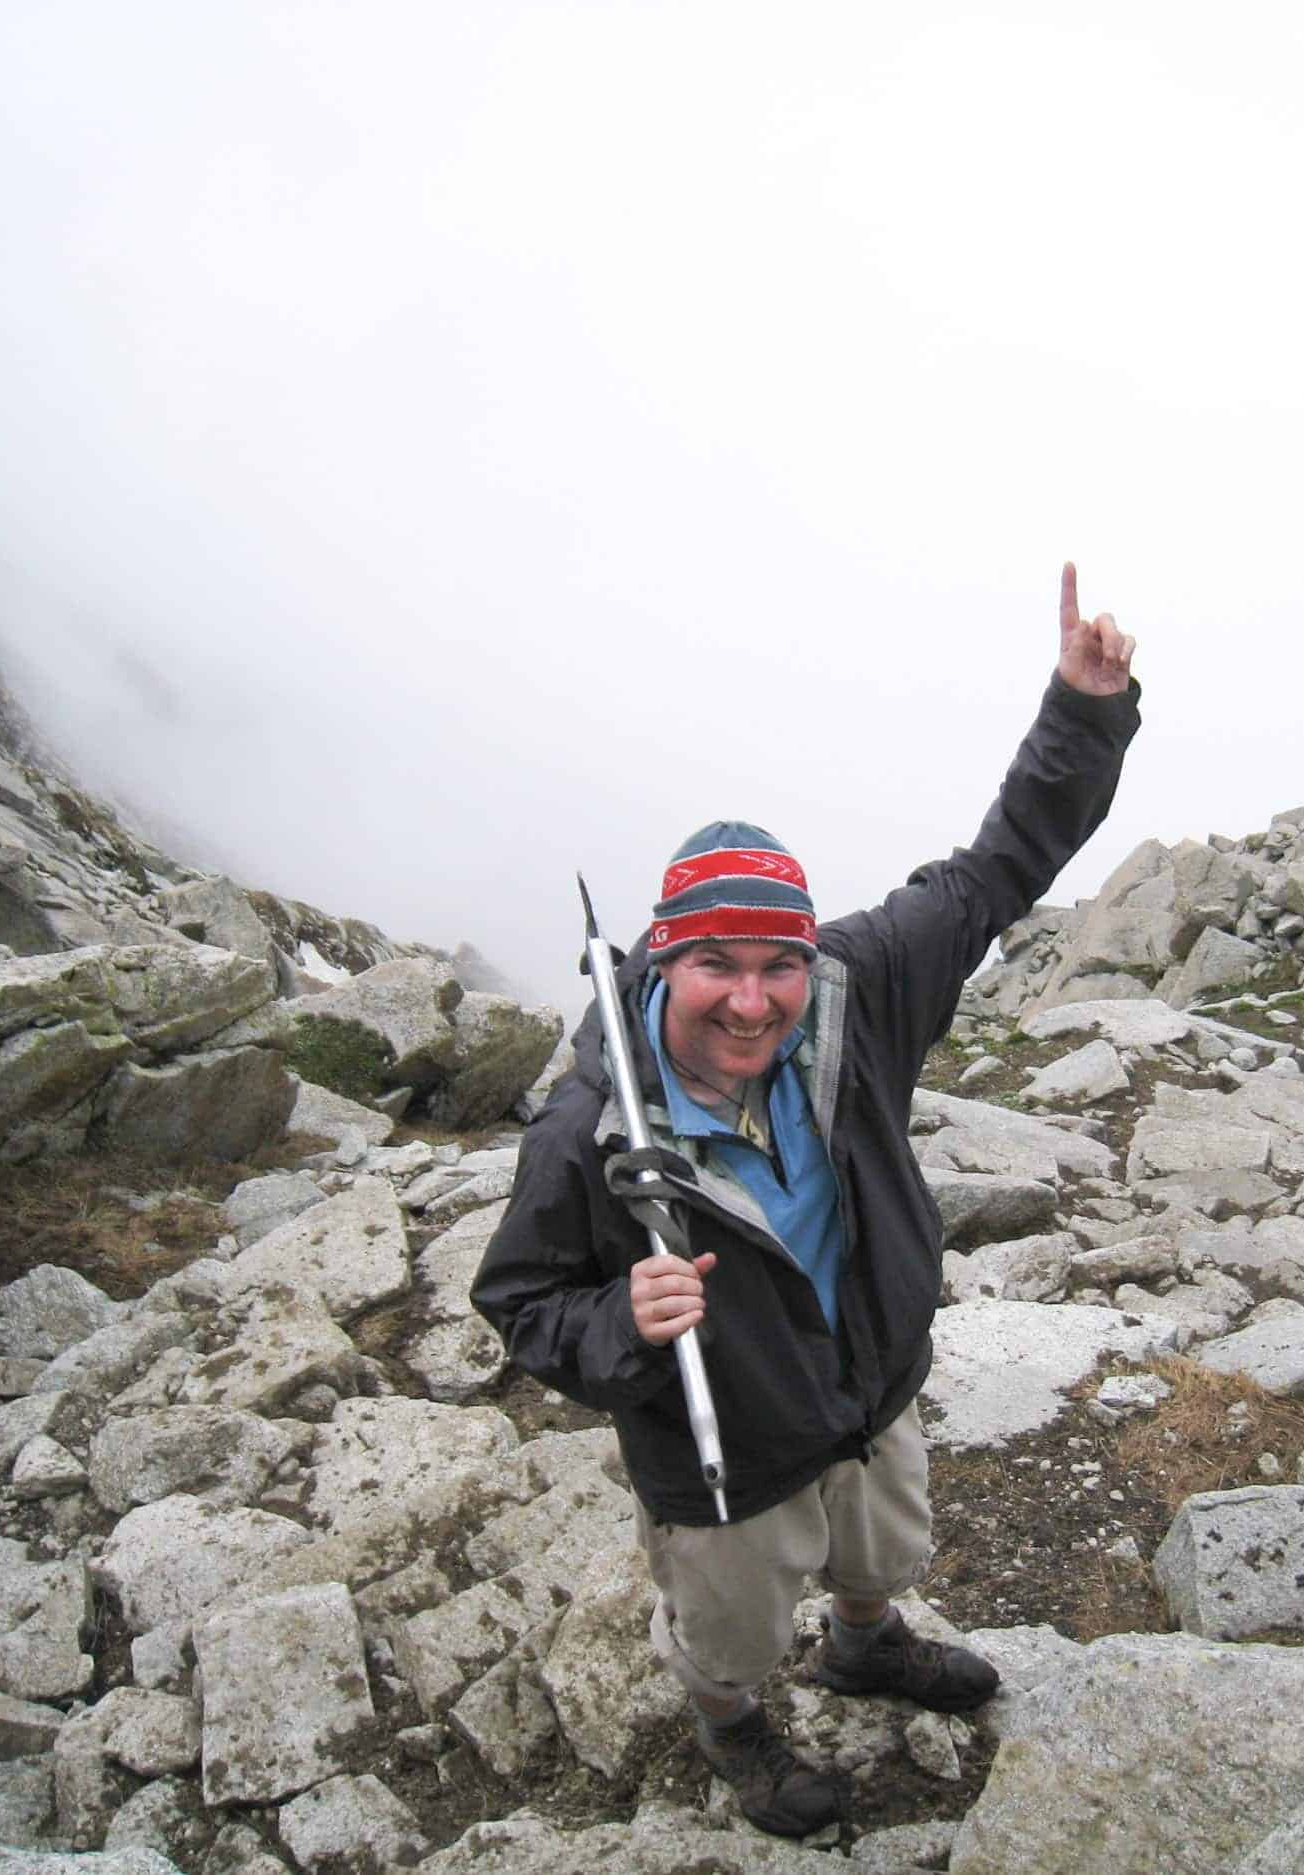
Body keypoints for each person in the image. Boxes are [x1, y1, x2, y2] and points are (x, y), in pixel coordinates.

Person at [472, 564, 1139, 1836]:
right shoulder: (590, 1125)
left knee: (881, 1551)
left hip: (869, 1388)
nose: (751, 999)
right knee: (728, 1629)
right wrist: (619, 1324)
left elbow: (998, 869)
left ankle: (866, 1643)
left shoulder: (863, 985)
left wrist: (1081, 712)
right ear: (664, 958)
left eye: (778, 963)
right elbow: (517, 1302)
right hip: (721, 1457)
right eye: (714, 965)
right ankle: (734, 1729)